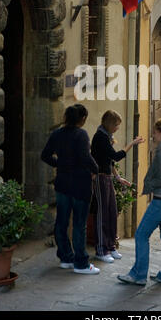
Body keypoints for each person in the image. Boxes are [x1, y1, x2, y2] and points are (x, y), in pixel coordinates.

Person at [117, 116, 161, 285]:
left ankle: (138, 275)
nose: (153, 135)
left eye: (155, 132)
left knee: (141, 234)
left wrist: (148, 184)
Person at [41, 104, 100, 275]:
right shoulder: (81, 134)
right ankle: (81, 263)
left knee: (62, 221)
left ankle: (66, 257)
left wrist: (60, 164)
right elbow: (85, 157)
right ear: (82, 119)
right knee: (79, 224)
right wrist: (95, 169)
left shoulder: (57, 134)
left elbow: (45, 155)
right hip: (80, 184)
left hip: (63, 183)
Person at [91, 110, 144, 263]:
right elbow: (115, 156)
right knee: (102, 214)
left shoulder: (106, 136)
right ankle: (101, 249)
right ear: (109, 124)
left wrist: (118, 177)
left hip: (107, 178)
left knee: (111, 212)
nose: (117, 128)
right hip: (100, 178)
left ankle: (110, 246)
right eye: (116, 125)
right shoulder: (100, 137)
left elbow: (110, 161)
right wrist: (132, 144)